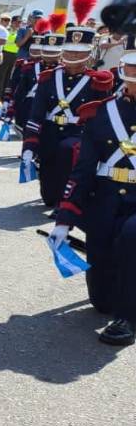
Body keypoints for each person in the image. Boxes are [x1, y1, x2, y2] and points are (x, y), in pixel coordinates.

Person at [52, 47, 136, 346]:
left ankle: (128, 318)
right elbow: (83, 170)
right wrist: (64, 218)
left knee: (130, 238)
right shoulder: (102, 112)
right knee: (101, 302)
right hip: (106, 197)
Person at [23, 0, 113, 208]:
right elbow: (36, 114)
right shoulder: (48, 77)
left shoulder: (97, 80)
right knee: (48, 193)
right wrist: (29, 144)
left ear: (88, 53)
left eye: (79, 52)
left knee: (67, 157)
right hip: (51, 130)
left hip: (79, 134)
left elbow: (101, 116)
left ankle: (70, 201)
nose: (73, 55)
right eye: (71, 50)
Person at [4, 19, 51, 130]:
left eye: (38, 51)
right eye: (33, 50)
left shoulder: (53, 68)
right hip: (26, 103)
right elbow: (15, 86)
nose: (35, 54)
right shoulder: (23, 65)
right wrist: (9, 104)